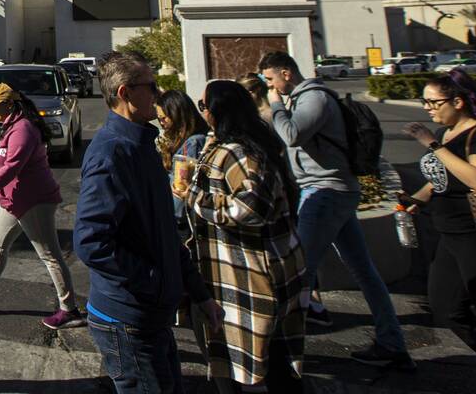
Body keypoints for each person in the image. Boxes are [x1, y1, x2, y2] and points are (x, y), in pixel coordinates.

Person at [74, 51, 223, 393]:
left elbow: (164, 234)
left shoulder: (142, 144)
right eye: (151, 87)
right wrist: (153, 282)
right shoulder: (112, 153)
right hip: (128, 321)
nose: (158, 95)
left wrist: (198, 293)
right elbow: (91, 242)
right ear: (125, 93)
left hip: (151, 316)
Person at [260, 50, 413, 370]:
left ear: (286, 73)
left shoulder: (313, 98)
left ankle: (284, 353)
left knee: (299, 272)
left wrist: (274, 107)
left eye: (271, 79)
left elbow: (292, 134)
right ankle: (391, 341)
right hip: (331, 191)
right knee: (364, 271)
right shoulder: (302, 99)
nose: (270, 86)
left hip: (325, 192)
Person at [186, 80, 307, 392]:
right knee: (270, 357)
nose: (202, 113)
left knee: (257, 359)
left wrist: (194, 197)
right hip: (255, 266)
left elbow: (251, 208)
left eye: (203, 106)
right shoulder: (248, 143)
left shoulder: (239, 152)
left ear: (218, 112)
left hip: (249, 272)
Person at [0, 82, 85, 330]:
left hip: (34, 201)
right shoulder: (12, 125)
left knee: (50, 255)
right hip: (13, 200)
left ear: (10, 104)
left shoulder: (23, 129)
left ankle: (70, 310)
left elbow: (13, 167)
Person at [402, 71, 476, 339]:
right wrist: (418, 198)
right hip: (448, 235)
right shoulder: (444, 132)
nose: (427, 108)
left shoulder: (472, 134)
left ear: (457, 102)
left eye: (433, 102)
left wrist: (432, 145)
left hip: (471, 233)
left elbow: (474, 179)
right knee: (446, 307)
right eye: (424, 102)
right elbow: (440, 177)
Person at [155, 89, 211, 229]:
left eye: (164, 118)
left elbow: (181, 189)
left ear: (176, 114)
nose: (161, 123)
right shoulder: (200, 137)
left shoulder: (191, 144)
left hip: (183, 222)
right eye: (159, 119)